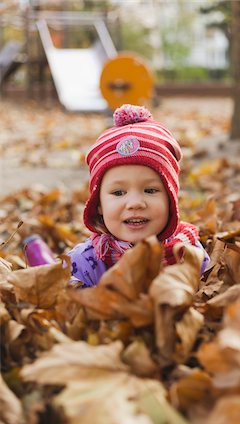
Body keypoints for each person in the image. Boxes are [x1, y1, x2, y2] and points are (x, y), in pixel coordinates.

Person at [23, 104, 209, 287]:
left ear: (170, 201)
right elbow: (60, 302)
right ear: (99, 205)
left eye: (150, 190)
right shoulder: (85, 262)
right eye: (119, 192)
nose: (135, 203)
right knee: (52, 278)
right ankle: (39, 254)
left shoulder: (189, 252)